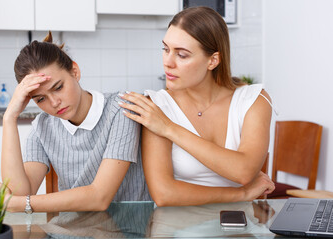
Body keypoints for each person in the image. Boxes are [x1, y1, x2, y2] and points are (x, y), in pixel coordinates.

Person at [118, 6, 275, 206]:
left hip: (241, 226)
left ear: (213, 60)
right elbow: (164, 194)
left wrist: (169, 128)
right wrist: (241, 194)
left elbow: (243, 171)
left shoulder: (253, 100)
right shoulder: (157, 107)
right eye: (165, 49)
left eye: (181, 55)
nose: (168, 62)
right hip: (176, 230)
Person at [0, 31, 150, 213]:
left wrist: (21, 204)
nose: (54, 103)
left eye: (58, 87)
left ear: (75, 72)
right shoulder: (43, 127)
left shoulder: (121, 109)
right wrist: (9, 118)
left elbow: (99, 198)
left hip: (129, 231)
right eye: (40, 99)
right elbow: (20, 192)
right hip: (69, 230)